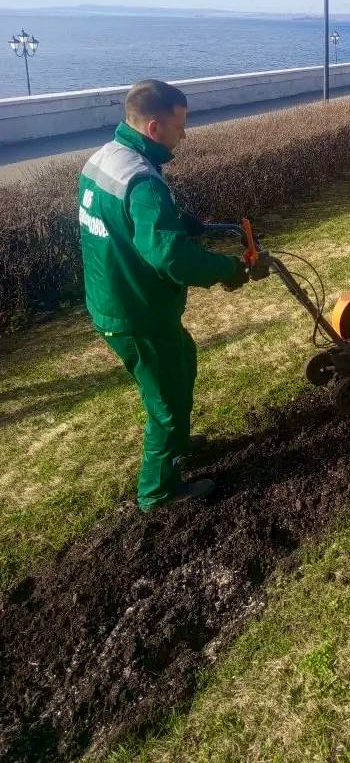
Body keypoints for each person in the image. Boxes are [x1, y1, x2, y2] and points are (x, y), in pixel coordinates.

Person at [78, 79, 250, 512]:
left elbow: (136, 219)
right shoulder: (143, 181)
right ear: (155, 127)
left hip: (114, 296)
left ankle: (178, 443)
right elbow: (170, 258)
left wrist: (190, 223)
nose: (184, 134)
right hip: (137, 311)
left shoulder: (108, 157)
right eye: (180, 125)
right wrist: (229, 268)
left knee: (182, 359)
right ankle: (159, 492)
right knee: (167, 405)